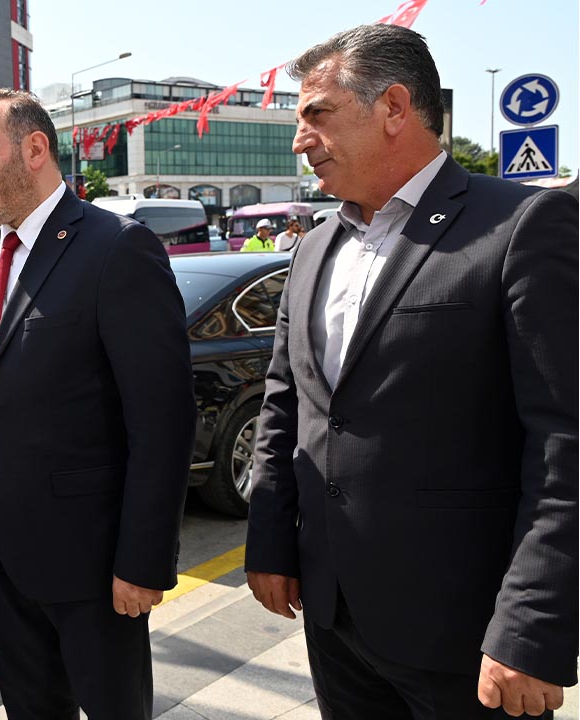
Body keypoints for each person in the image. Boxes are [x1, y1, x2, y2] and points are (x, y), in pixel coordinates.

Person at [245, 24, 576, 720]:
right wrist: (271, 542)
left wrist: (532, 627)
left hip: (465, 631)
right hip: (335, 616)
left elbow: (563, 443)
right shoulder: (311, 250)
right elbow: (286, 407)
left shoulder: (523, 224)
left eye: (316, 115)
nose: (300, 140)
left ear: (394, 107)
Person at [0, 89, 196, 719]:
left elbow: (162, 420)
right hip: (7, 556)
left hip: (98, 567)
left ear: (34, 149)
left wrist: (143, 560)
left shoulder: (116, 248)